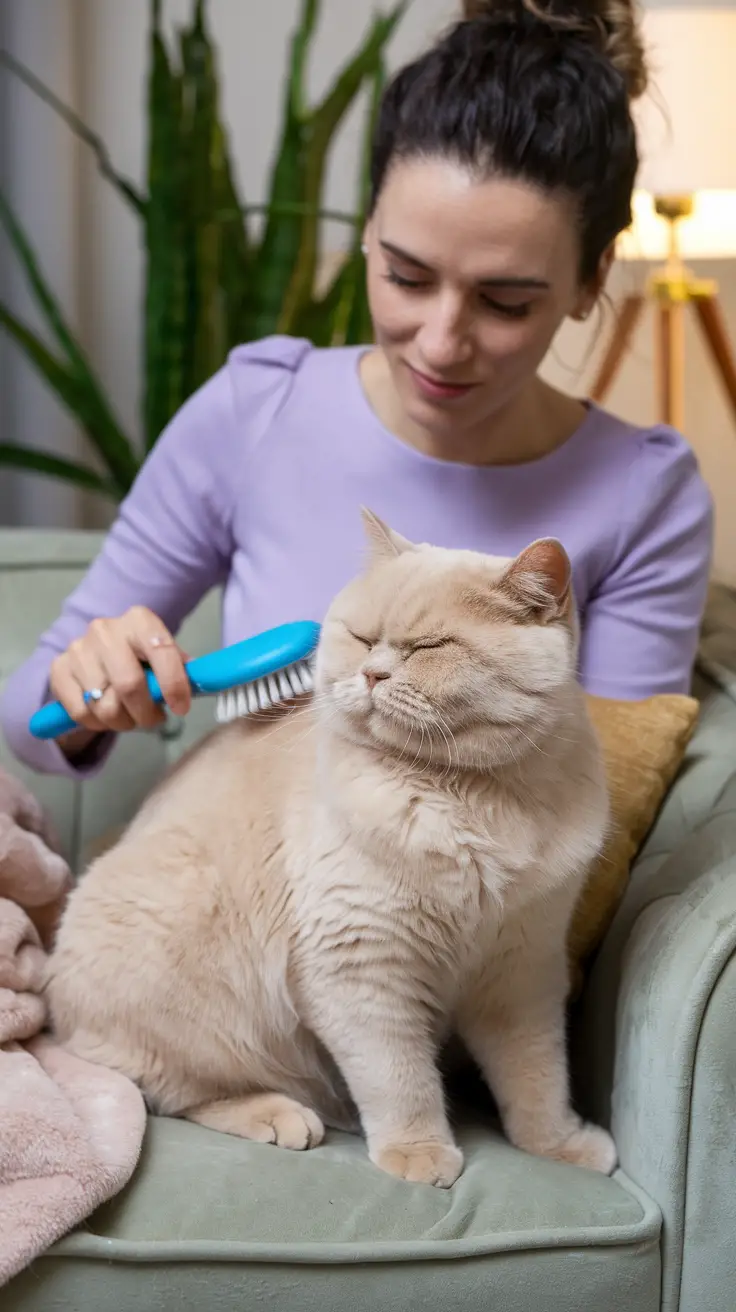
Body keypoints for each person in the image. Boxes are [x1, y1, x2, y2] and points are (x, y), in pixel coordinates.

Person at [0, 0, 713, 781]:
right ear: (369, 229)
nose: (441, 343)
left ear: (591, 281)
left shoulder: (644, 496)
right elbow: (26, 721)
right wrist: (89, 684)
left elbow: (613, 804)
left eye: (505, 302)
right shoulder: (256, 411)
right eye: (406, 276)